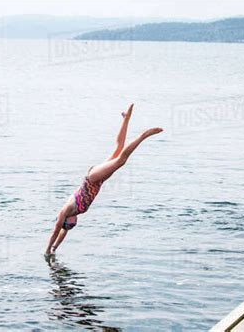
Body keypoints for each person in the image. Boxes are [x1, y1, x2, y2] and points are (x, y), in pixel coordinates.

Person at [45, 104, 163, 256]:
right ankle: (126, 118)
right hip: (98, 181)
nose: (74, 224)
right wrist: (55, 248)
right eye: (72, 225)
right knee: (119, 148)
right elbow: (62, 233)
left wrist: (47, 249)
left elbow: (56, 230)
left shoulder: (65, 211)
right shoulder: (72, 217)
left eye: (71, 224)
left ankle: (143, 135)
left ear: (67, 220)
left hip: (92, 178)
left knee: (121, 160)